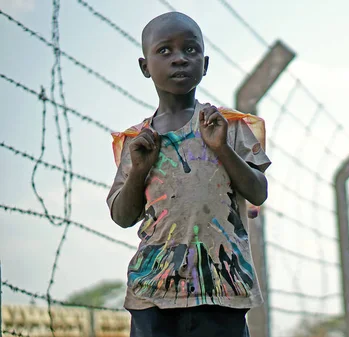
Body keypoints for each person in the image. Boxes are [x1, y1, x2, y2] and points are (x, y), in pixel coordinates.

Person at [106, 11, 271, 337]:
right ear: (145, 66)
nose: (179, 59)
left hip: (222, 290)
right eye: (165, 50)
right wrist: (139, 170)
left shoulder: (229, 126)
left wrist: (222, 148)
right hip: (153, 293)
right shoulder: (136, 142)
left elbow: (259, 192)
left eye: (190, 50)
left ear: (205, 64)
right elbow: (123, 216)